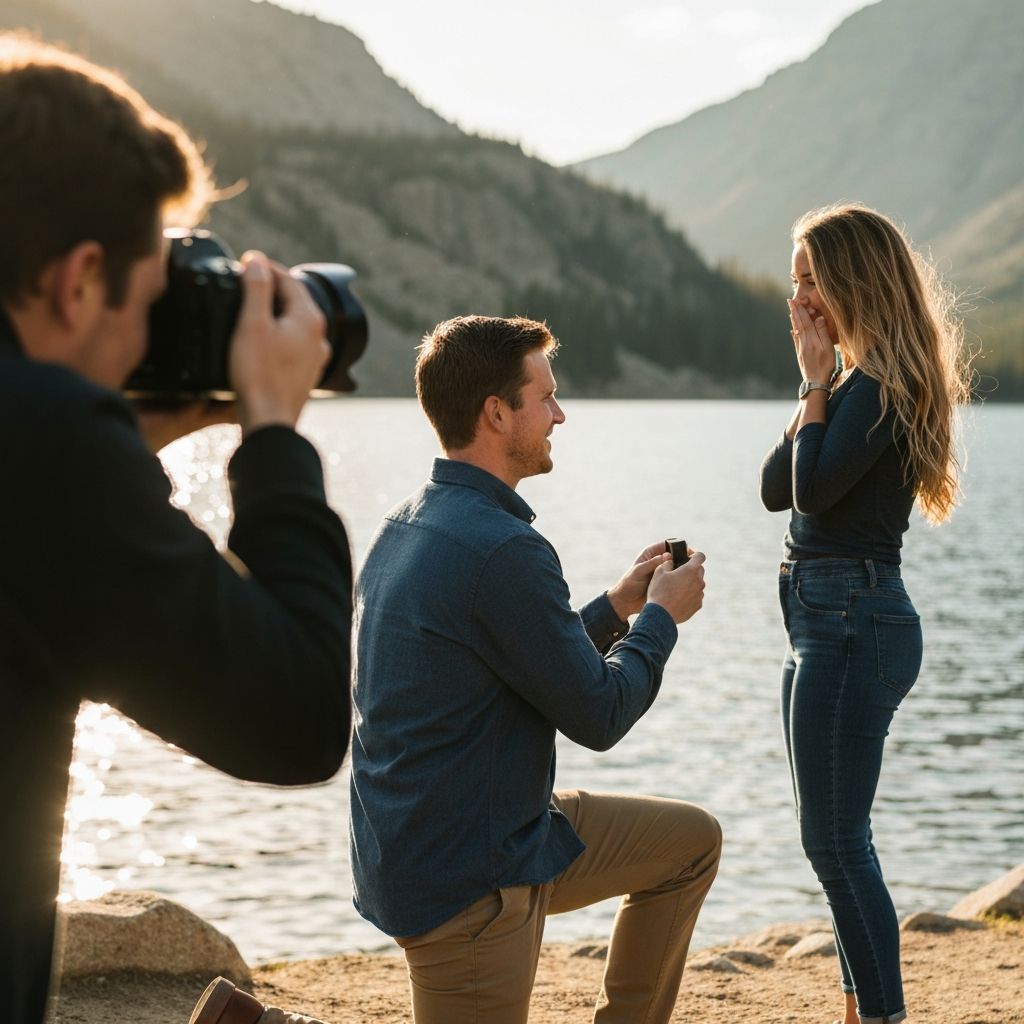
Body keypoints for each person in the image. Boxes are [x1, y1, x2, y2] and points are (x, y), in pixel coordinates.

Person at [0, 36, 353, 1024]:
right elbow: (296, 717)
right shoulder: (47, 445)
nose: (144, 344)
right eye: (148, 305)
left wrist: (120, 447)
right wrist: (275, 434)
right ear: (77, 281)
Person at [349, 314, 722, 1024]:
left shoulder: (409, 522)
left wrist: (618, 605)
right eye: (544, 397)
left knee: (689, 844)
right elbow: (599, 714)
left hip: (478, 831)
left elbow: (525, 661)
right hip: (469, 878)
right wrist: (661, 620)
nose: (560, 414)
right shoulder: (502, 549)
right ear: (497, 412)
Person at [759, 203, 971, 1024]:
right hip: (822, 618)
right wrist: (814, 383)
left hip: (851, 617)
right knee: (833, 837)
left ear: (851, 282)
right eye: (794, 285)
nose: (799, 302)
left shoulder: (883, 385)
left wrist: (817, 380)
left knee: (837, 841)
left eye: (811, 283)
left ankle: (882, 1016)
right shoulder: (853, 381)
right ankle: (859, 1006)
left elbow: (811, 490)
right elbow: (776, 488)